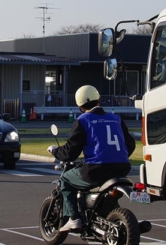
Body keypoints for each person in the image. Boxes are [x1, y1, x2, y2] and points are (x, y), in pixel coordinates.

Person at [48, 85, 136, 232]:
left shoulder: (83, 120)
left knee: (66, 180)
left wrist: (55, 151)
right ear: (98, 100)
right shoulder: (116, 119)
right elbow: (130, 145)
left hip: (97, 169)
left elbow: (71, 152)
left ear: (80, 106)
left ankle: (74, 218)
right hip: (122, 168)